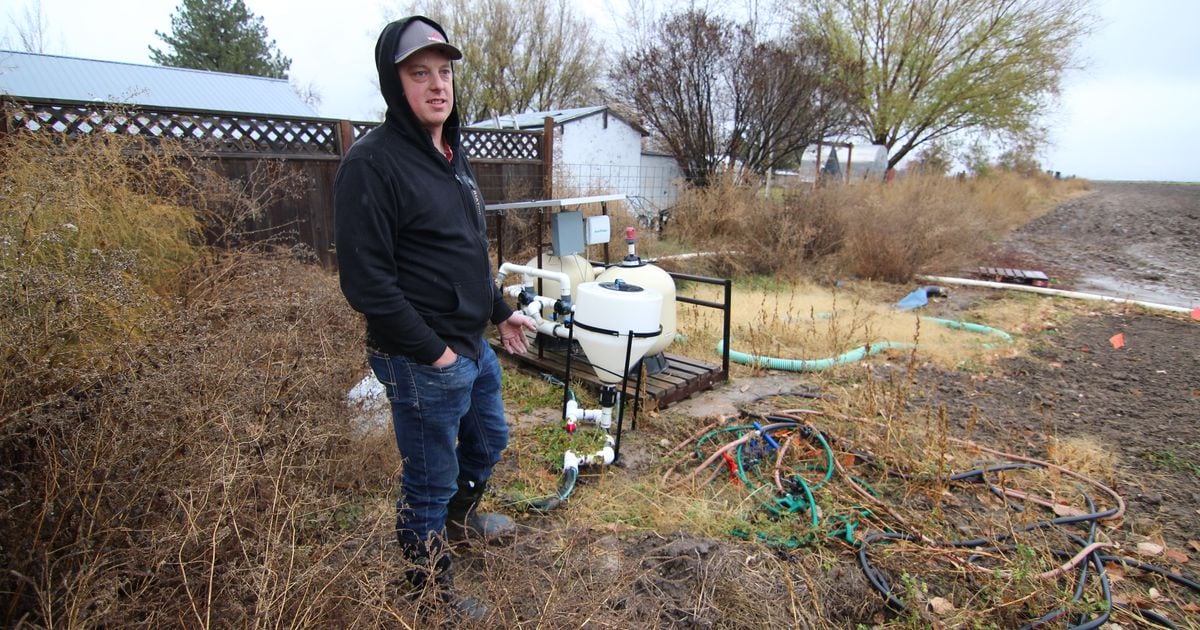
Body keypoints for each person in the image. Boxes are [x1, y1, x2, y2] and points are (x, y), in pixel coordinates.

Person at [333, 15, 535, 610]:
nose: (437, 85)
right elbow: (367, 283)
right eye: (419, 73)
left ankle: (460, 523)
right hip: (422, 355)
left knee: (490, 440)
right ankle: (427, 598)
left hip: (470, 344)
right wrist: (437, 353)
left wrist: (499, 310)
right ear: (394, 84)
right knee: (428, 479)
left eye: (444, 72)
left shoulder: (449, 149)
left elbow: (468, 245)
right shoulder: (372, 164)